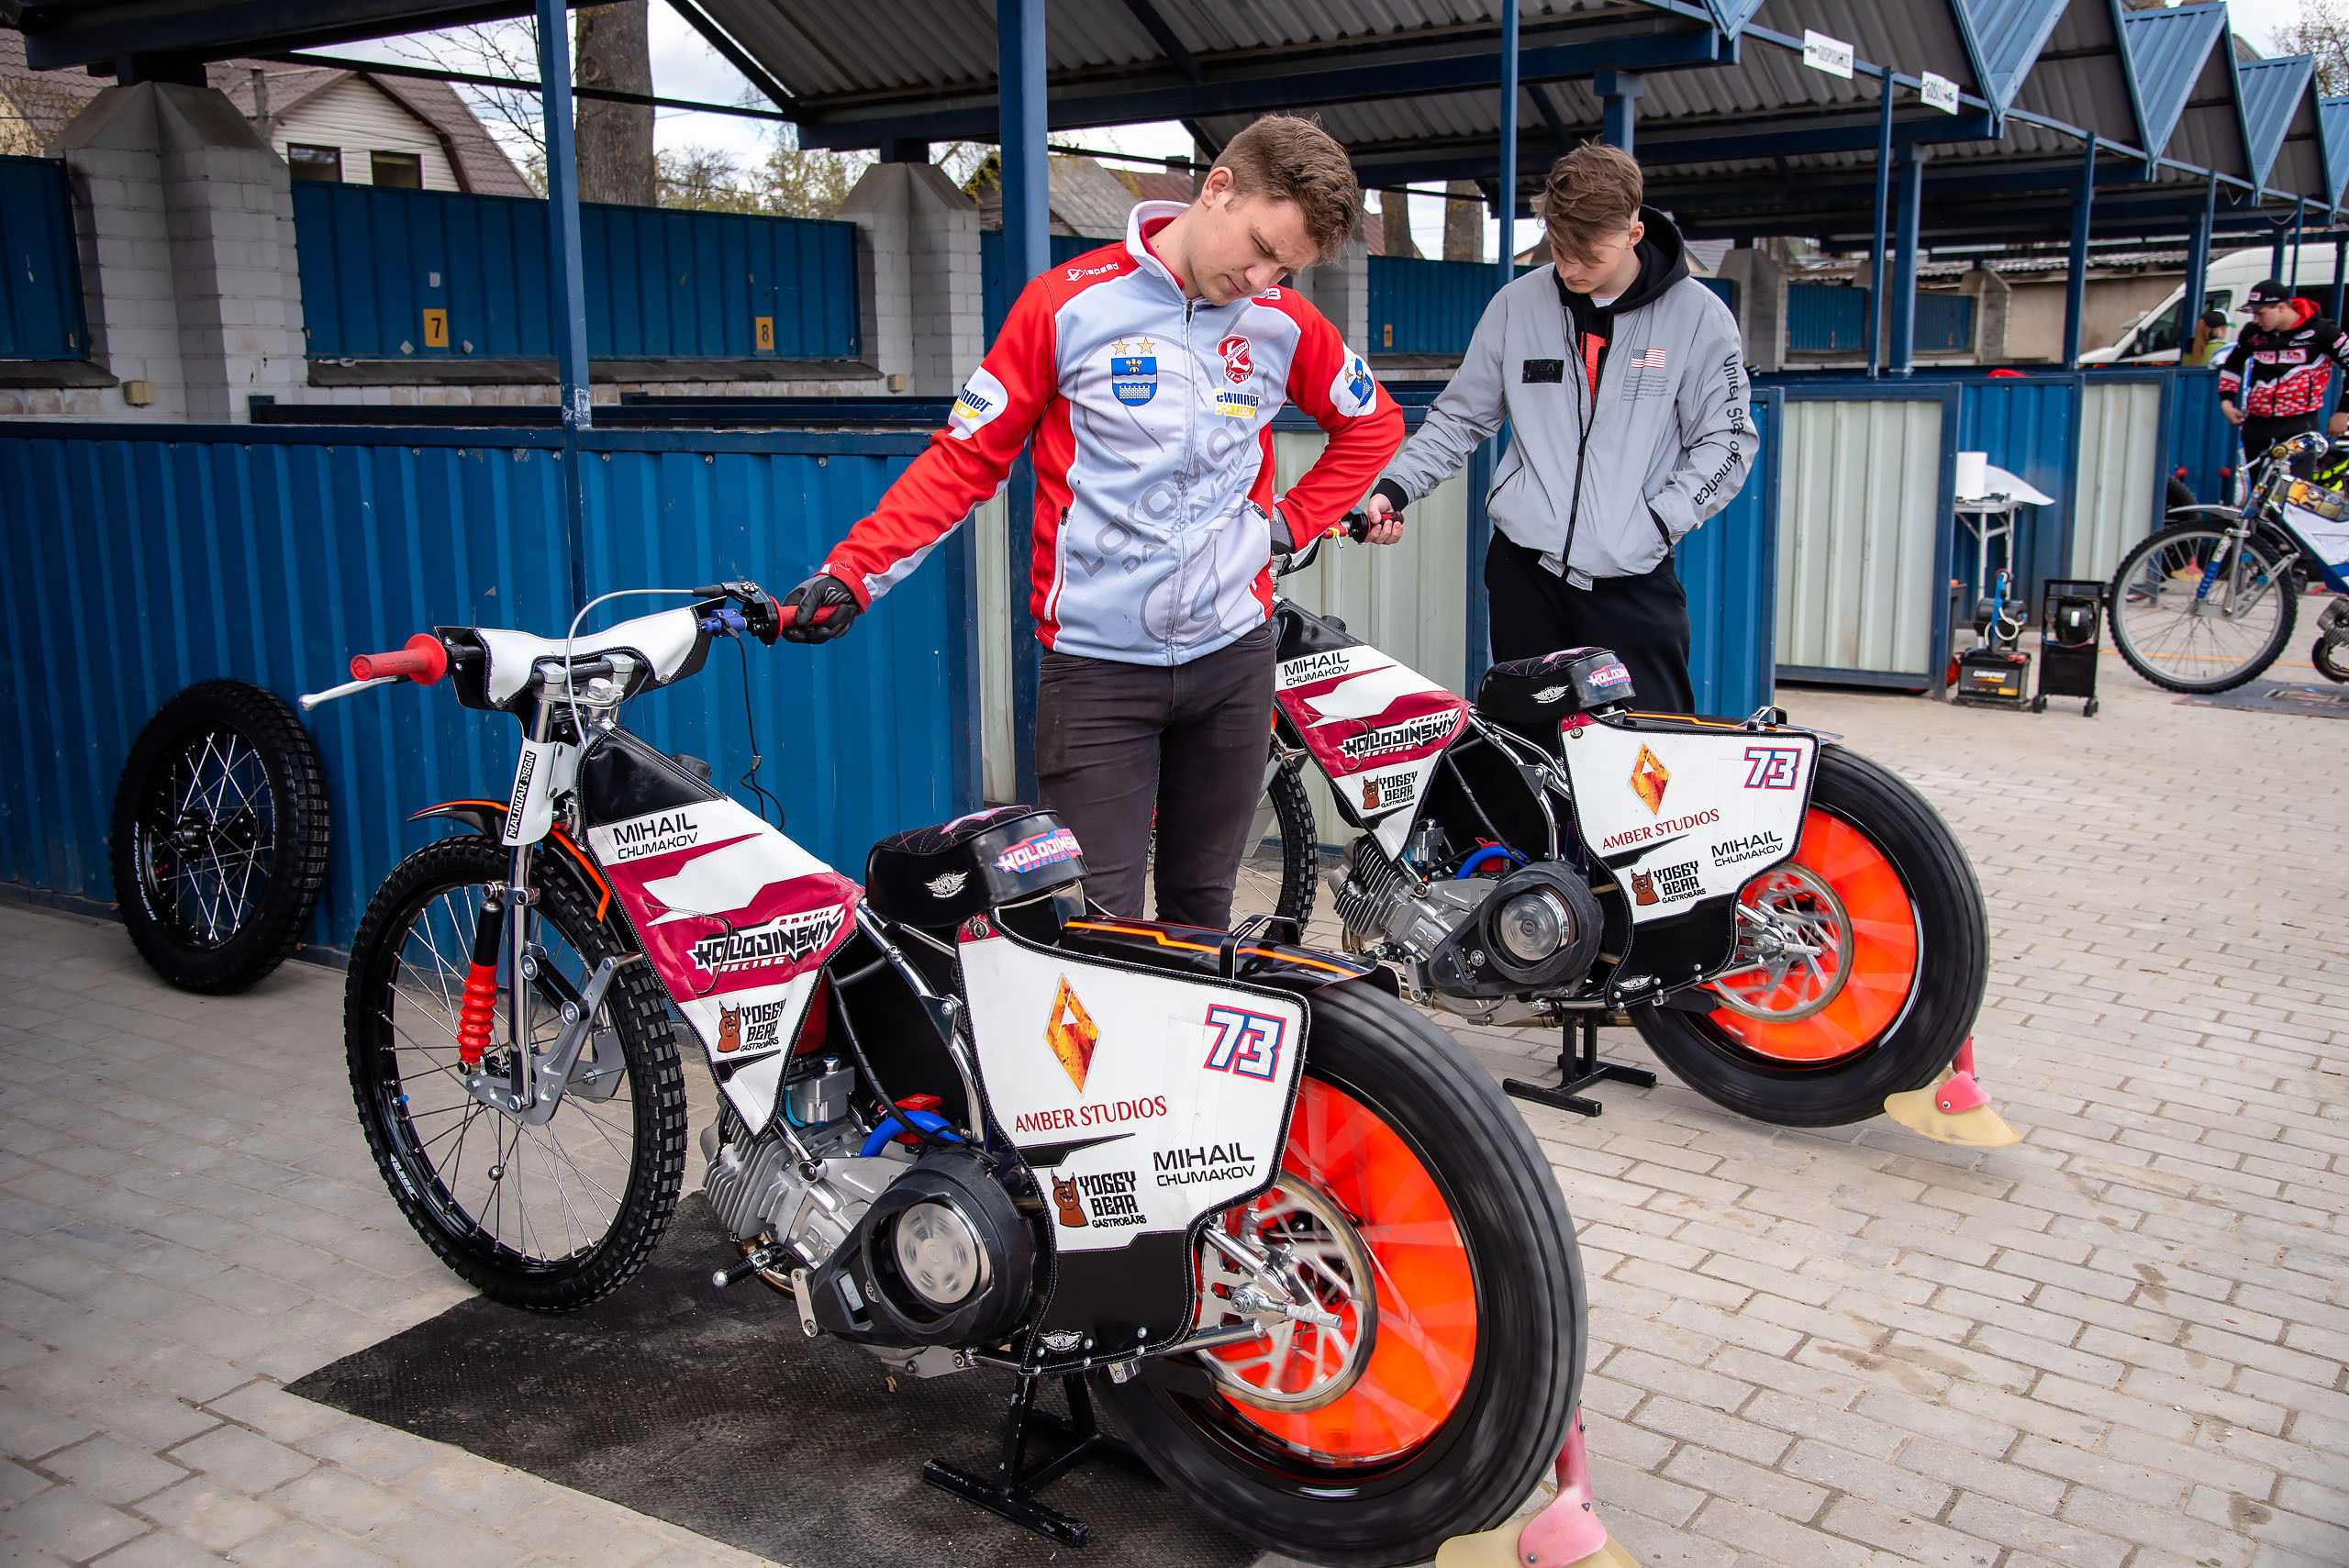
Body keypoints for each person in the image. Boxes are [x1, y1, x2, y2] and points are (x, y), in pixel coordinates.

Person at [777, 115, 1405, 929]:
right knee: (1094, 925)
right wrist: (855, 572)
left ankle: (1181, 1063)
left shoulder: (1282, 323)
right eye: (1256, 247)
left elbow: (1374, 425)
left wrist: (1288, 524)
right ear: (1217, 189)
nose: (1260, 277)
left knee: (1200, 913)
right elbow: (965, 458)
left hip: (1233, 665)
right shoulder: (1065, 306)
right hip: (1099, 674)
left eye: (1284, 267)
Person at [1360, 143, 1754, 713]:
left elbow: (1728, 441)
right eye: (1558, 249)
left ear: (1632, 234)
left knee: (1651, 769)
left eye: (1586, 256)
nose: (1567, 268)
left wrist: (1657, 523)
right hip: (1527, 576)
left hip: (1632, 580)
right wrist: (1393, 489)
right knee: (1527, 759)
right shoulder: (1516, 306)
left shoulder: (1698, 318)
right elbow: (1460, 419)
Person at [2218, 278, 2349, 478]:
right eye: (2253, 313)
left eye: (2260, 313)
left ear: (2280, 307)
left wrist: (2343, 412)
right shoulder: (2252, 333)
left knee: (2292, 492)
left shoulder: (2323, 331)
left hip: (2299, 422)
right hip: (2257, 422)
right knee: (2259, 493)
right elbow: (2232, 365)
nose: (2255, 320)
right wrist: (2226, 401)